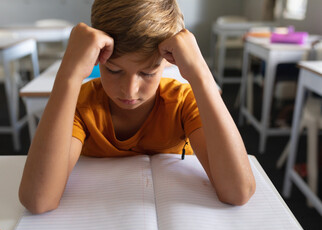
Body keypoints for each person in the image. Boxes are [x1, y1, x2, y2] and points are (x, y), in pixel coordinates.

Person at [19, 0, 256, 214]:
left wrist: (201, 74)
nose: (130, 91)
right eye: (114, 70)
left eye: (148, 72)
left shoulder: (182, 102)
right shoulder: (83, 105)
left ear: (167, 61)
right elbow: (38, 200)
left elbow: (238, 192)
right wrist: (69, 74)